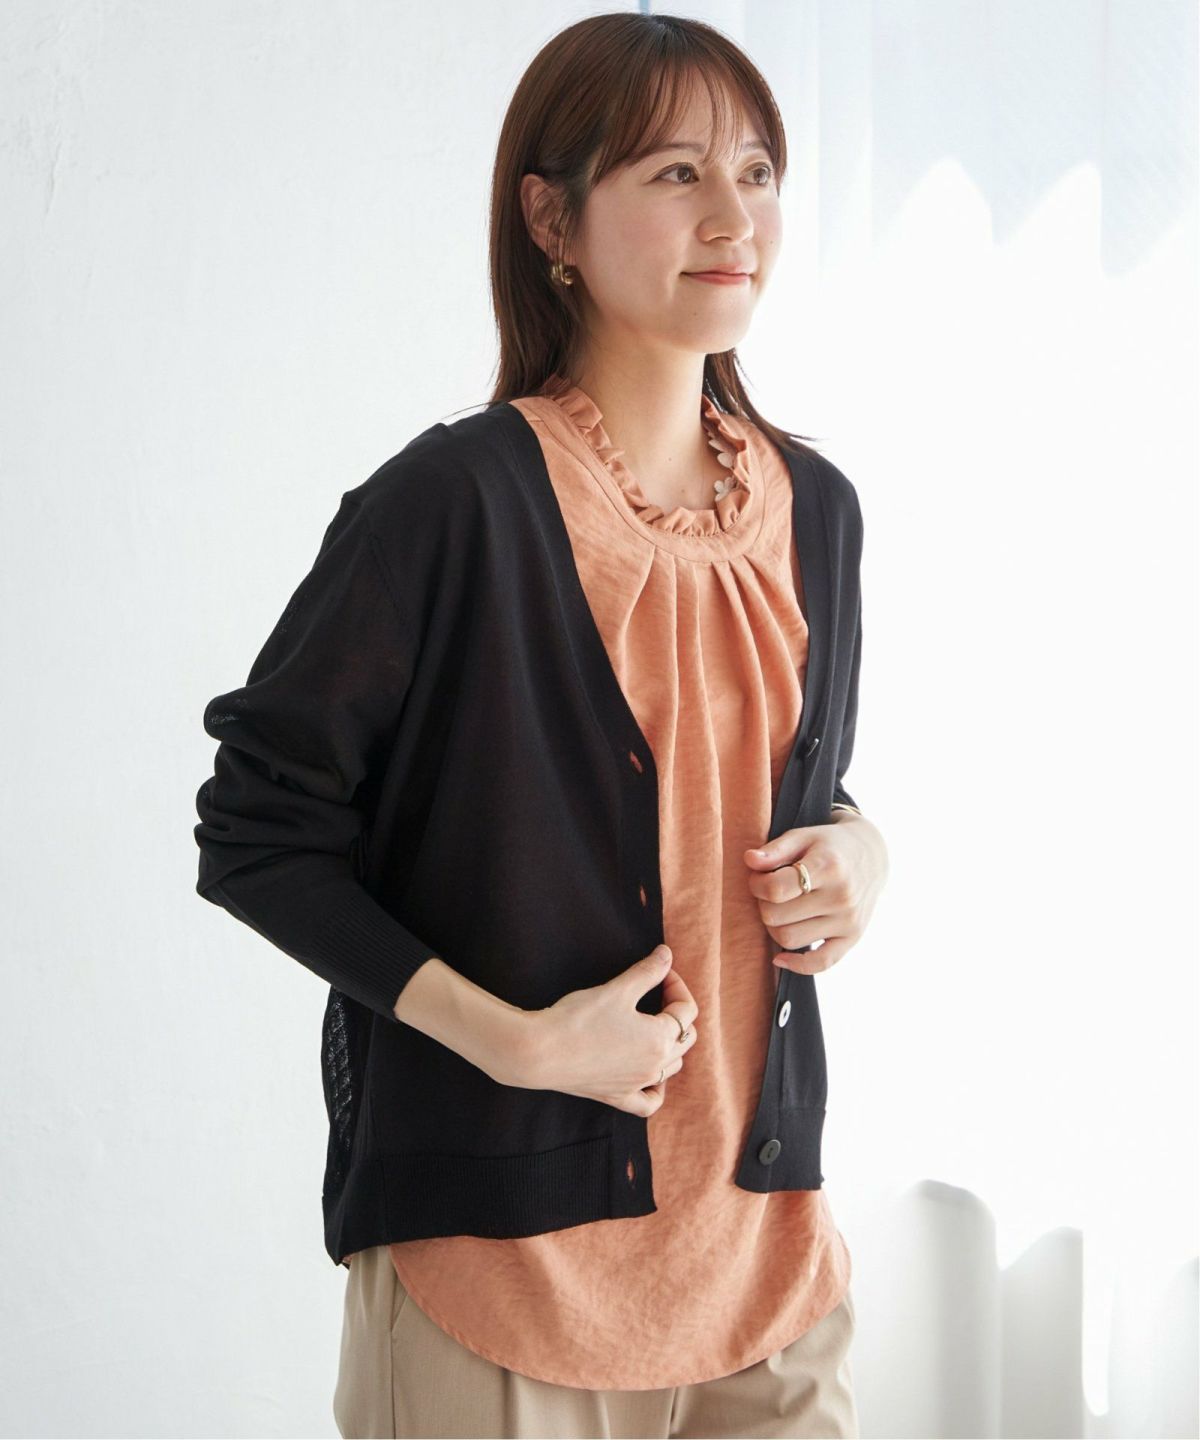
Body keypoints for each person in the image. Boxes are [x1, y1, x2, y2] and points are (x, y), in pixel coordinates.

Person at [194, 11, 889, 1438]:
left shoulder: (815, 508)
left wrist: (861, 850)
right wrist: (513, 1041)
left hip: (760, 1258)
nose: (733, 215)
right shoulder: (454, 505)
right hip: (502, 1271)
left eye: (757, 172)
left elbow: (755, 782)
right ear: (551, 220)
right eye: (676, 173)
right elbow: (259, 830)